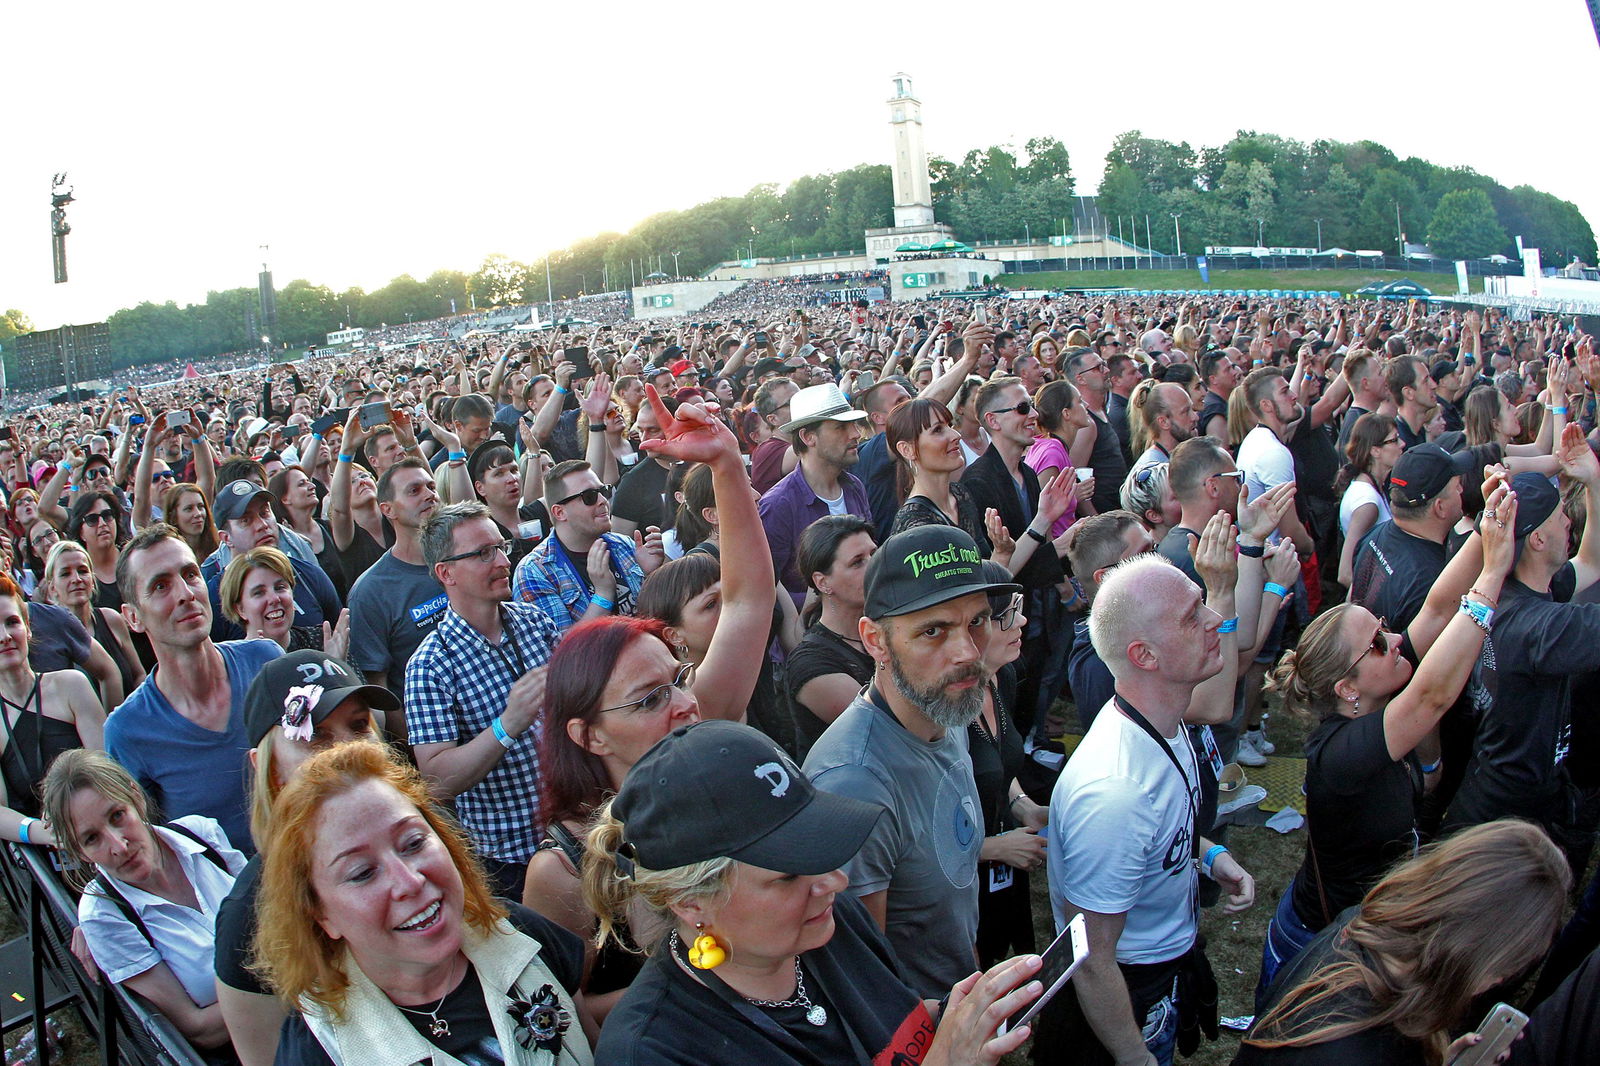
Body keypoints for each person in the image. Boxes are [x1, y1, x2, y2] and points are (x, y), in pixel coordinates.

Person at [587, 719, 1047, 1066]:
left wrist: (958, 1015)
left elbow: (889, 1024)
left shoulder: (831, 922)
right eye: (787, 875)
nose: (836, 882)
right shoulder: (653, 1050)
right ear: (691, 903)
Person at [1257, 478, 1514, 1000]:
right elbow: (1431, 698)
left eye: (1383, 626)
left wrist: (1488, 529)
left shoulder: (1382, 683)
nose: (1394, 639)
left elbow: (1439, 610)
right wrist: (1492, 578)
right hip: (1321, 947)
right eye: (1377, 642)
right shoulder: (1338, 758)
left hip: (1363, 929)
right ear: (1347, 688)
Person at [251, 742, 595, 1066]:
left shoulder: (518, 931)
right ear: (320, 914)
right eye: (362, 873)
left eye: (414, 842)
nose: (410, 881)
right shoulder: (317, 1048)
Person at [1043, 552, 1256, 1066]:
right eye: (1191, 616)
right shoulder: (1116, 793)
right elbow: (1092, 959)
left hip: (1159, 969)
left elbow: (1159, 829)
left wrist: (1208, 857)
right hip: (1127, 992)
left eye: (1203, 603)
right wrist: (1135, 1056)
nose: (1213, 621)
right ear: (1145, 655)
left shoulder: (1163, 718)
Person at [803, 524, 1019, 998]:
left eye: (977, 622)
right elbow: (862, 982)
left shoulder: (946, 710)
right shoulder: (855, 784)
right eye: (933, 630)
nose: (966, 652)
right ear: (875, 641)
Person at [1238, 821, 1569, 1066]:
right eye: (1506, 967)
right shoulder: (1353, 1051)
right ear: (1476, 954)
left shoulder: (1363, 927)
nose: (1499, 980)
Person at [212, 650, 396, 1066]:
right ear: (270, 770)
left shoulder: (427, 838)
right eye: (316, 736)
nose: (346, 752)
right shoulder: (249, 917)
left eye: (358, 725)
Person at [1445, 446, 1600, 860]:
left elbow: (1590, 561)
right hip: (1506, 818)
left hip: (1495, 789)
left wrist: (1594, 481)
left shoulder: (1520, 590)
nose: (1570, 521)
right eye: (1560, 516)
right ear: (1537, 538)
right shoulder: (1538, 628)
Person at [406, 501, 563, 900]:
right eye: (482, 553)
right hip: (510, 863)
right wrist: (506, 726)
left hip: (576, 834)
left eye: (501, 547)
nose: (502, 561)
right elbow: (436, 779)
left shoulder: (534, 623)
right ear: (446, 573)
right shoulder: (429, 665)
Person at [43, 749, 246, 1054]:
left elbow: (281, 914)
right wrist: (290, 982)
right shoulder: (105, 916)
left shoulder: (202, 835)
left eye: (117, 816)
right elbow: (199, 1030)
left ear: (135, 797)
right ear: (79, 853)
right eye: (91, 839)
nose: (118, 845)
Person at [969, 560, 1048, 967]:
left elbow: (1001, 760)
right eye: (1007, 615)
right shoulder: (940, 709)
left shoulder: (1005, 677)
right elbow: (915, 841)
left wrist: (1023, 806)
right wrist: (991, 848)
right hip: (963, 884)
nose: (1023, 621)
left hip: (1004, 868)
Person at [0, 572, 105, 846]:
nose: (5, 636)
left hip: (103, 834)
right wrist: (41, 832)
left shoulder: (72, 686)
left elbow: (107, 769)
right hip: (47, 863)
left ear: (28, 628)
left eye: (12, 623)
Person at [513, 460, 658, 633]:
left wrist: (652, 575)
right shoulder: (535, 571)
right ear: (560, 512)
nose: (603, 500)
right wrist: (603, 595)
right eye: (589, 496)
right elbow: (561, 651)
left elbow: (661, 619)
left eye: (603, 491)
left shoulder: (624, 545)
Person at [346, 457, 447, 707]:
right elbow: (378, 691)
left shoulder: (464, 558)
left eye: (431, 487)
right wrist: (419, 746)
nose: (429, 495)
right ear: (387, 509)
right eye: (414, 491)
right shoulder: (371, 591)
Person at [758, 383, 871, 602]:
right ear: (808, 437)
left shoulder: (854, 487)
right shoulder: (778, 504)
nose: (856, 434)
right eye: (840, 427)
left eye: (854, 425)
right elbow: (766, 587)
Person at [785, 516, 877, 759]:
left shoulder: (885, 625)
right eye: (857, 562)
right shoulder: (811, 664)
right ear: (823, 582)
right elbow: (883, 731)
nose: (873, 566)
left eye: (873, 554)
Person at [39, 539, 144, 703]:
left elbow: (138, 675)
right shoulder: (49, 641)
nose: (76, 579)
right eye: (65, 574)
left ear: (93, 579)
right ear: (52, 588)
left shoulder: (111, 620)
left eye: (82, 571)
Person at [218, 546, 351, 655]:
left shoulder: (322, 641)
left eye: (280, 587)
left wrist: (337, 666)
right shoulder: (235, 665)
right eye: (259, 593)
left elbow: (363, 688)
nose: (274, 599)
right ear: (240, 609)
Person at [1333, 414, 1400, 590]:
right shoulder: (1368, 504)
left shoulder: (1372, 487)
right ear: (1375, 450)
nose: (1402, 444)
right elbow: (1346, 574)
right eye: (1394, 440)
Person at [1025, 380, 1095, 537]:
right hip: (1056, 549)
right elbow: (1040, 513)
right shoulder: (1052, 452)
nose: (1087, 405)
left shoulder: (1049, 446)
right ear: (1066, 413)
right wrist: (1073, 497)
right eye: (1079, 401)